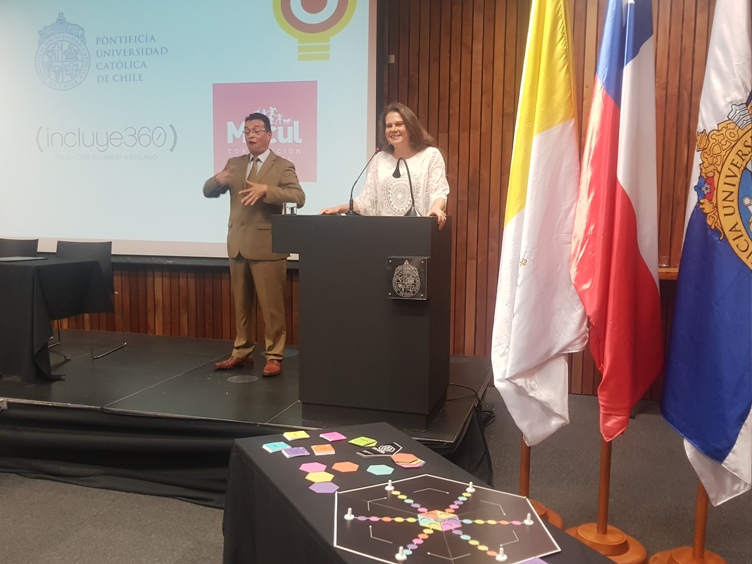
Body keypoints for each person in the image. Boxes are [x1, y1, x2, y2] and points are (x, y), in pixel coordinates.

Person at [204, 112, 305, 376]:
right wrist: (216, 181)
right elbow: (207, 191)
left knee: (271, 307)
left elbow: (298, 196)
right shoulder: (234, 164)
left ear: (269, 135)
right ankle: (242, 352)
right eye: (247, 130)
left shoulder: (282, 165)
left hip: (268, 245)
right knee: (241, 305)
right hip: (237, 244)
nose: (251, 135)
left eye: (257, 130)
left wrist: (266, 191)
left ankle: (274, 355)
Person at [320, 102, 449, 229]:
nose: (393, 129)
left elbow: (439, 192)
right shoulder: (379, 159)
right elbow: (366, 201)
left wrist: (436, 208)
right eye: (389, 126)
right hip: (384, 234)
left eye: (399, 124)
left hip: (418, 233)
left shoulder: (430, 156)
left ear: (410, 127)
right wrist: (339, 208)